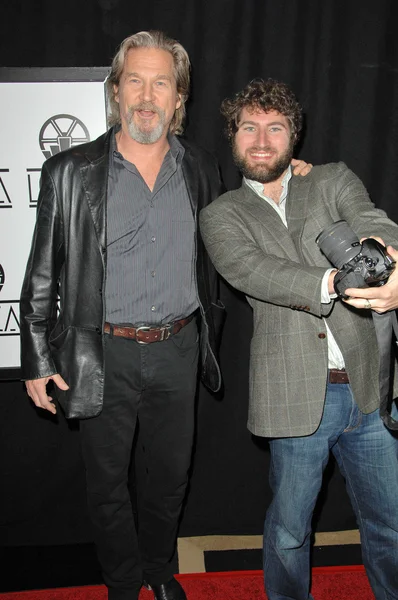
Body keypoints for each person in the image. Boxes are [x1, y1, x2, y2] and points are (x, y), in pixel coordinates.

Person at [20, 32, 310, 599]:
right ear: (116, 91)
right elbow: (40, 276)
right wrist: (36, 358)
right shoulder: (70, 172)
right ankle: (124, 585)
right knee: (107, 486)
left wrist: (294, 177)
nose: (147, 96)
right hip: (101, 352)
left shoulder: (201, 167)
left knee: (170, 481)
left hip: (180, 348)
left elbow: (246, 227)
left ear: (179, 98)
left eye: (162, 83)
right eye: (135, 80)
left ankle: (157, 572)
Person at [200, 78, 398, 600]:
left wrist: (389, 253)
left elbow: (369, 218)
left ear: (294, 136)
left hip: (371, 388)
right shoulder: (220, 215)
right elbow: (252, 270)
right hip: (292, 394)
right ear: (233, 136)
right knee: (289, 532)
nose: (262, 139)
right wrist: (332, 281)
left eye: (275, 127)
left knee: (392, 525)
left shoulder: (331, 179)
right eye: (249, 127)